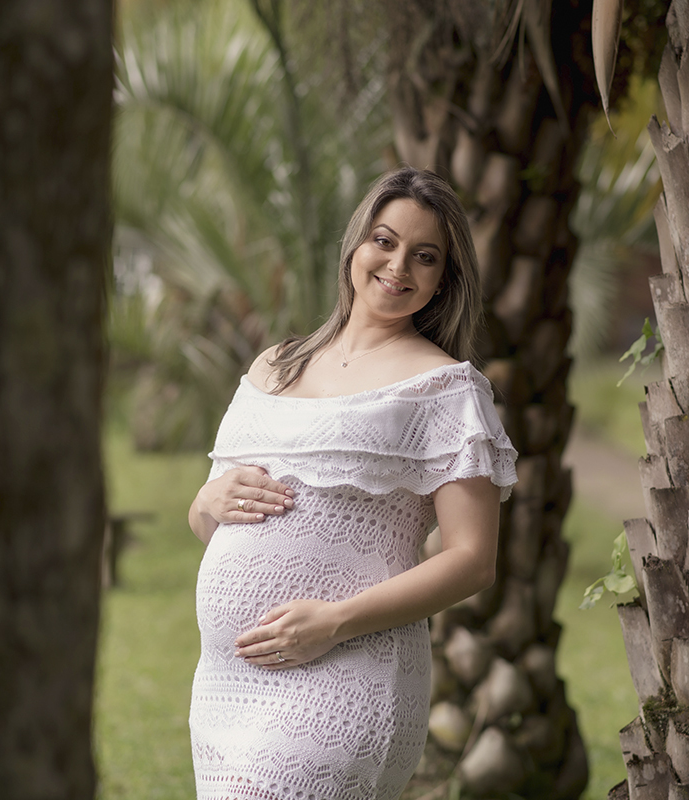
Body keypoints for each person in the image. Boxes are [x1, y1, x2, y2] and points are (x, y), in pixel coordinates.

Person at [187, 167, 517, 800]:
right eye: (384, 242)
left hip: (345, 668)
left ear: (444, 278)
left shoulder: (445, 389)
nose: (398, 267)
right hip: (228, 686)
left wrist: (334, 622)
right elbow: (211, 524)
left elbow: (473, 561)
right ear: (355, 245)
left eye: (426, 257)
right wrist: (205, 501)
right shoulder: (274, 366)